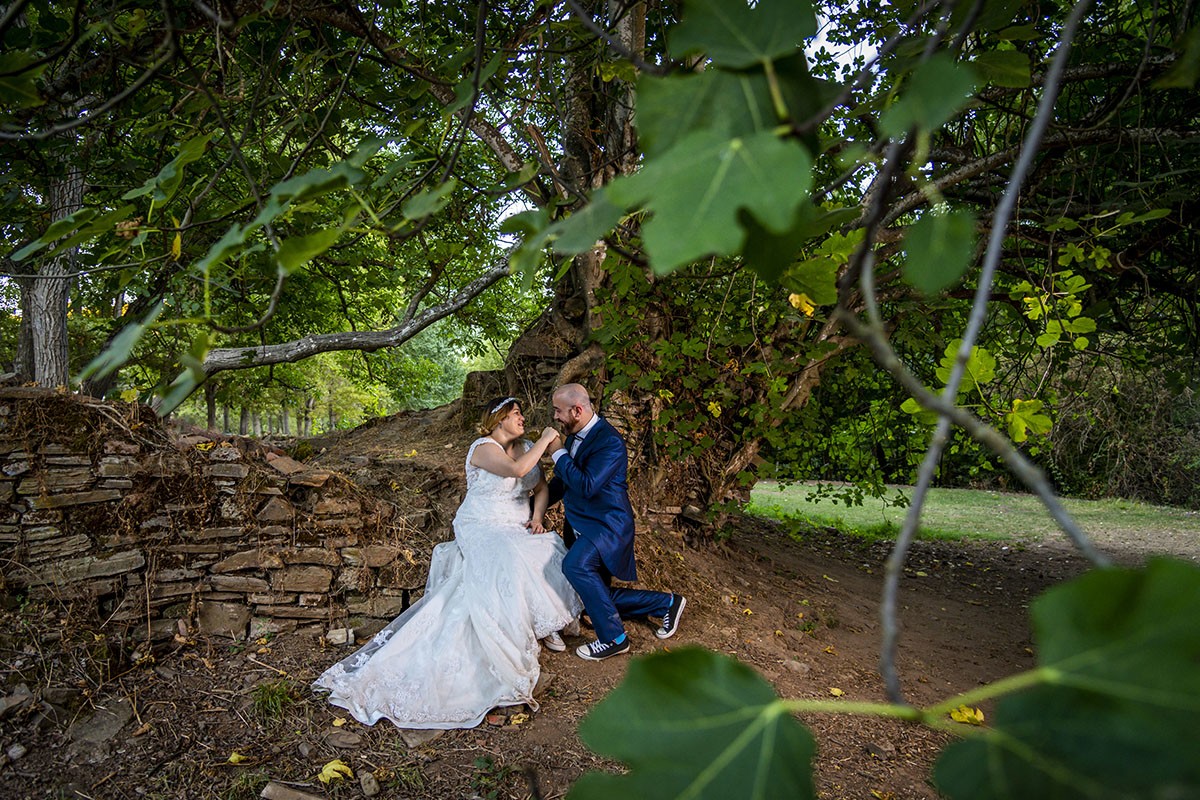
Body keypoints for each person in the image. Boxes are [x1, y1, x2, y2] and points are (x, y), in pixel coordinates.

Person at [313, 397, 582, 729]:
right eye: (516, 415)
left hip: (516, 525)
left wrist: (538, 517)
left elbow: (539, 487)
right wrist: (545, 440)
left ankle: (544, 625)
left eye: (521, 415)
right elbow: (517, 471)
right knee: (510, 557)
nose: (523, 419)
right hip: (481, 526)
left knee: (546, 548)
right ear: (498, 420)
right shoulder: (483, 448)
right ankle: (523, 634)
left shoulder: (525, 445)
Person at [547, 383, 686, 661]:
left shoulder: (608, 441)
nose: (555, 417)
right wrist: (528, 512)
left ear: (577, 410)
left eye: (558, 411)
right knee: (592, 600)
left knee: (575, 566)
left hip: (608, 525)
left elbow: (586, 485)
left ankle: (614, 638)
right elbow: (562, 483)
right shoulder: (574, 436)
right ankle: (666, 603)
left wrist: (557, 453)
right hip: (583, 526)